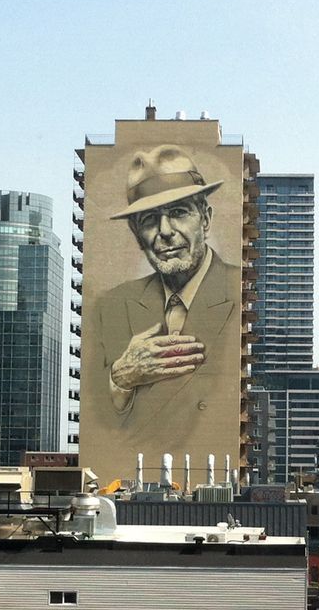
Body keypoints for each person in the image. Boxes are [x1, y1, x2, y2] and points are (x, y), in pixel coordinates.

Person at [84, 144, 241, 451]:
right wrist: (120, 378)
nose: (164, 231)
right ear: (135, 232)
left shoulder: (240, 290)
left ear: (205, 220)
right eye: (149, 220)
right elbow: (99, 418)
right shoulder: (111, 306)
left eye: (178, 212)